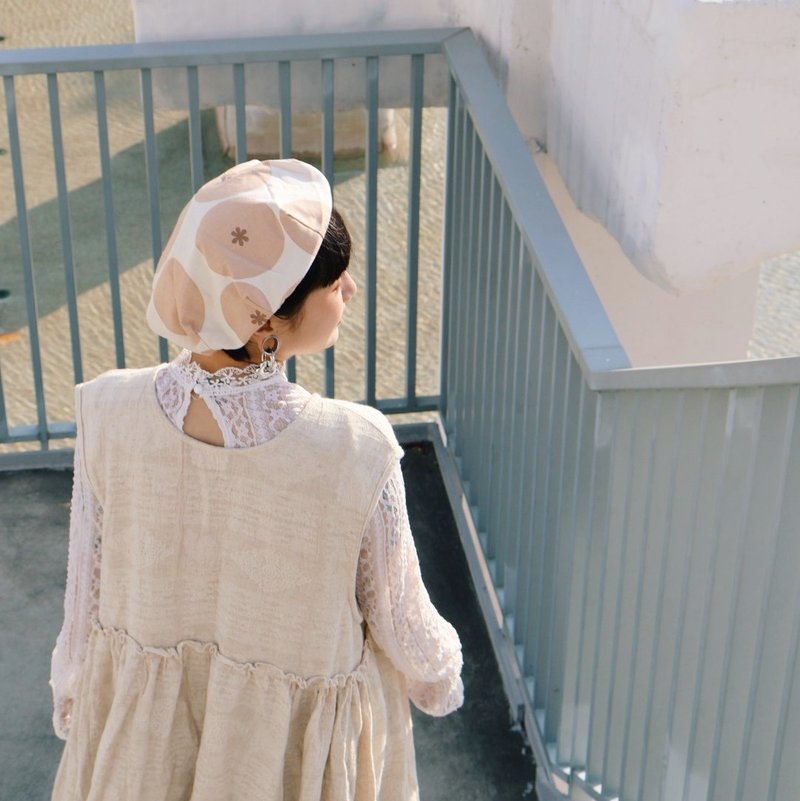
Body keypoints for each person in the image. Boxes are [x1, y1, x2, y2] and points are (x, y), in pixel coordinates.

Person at [49, 158, 463, 801]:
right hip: (285, 768)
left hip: (140, 758)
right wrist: (441, 677)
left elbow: (86, 603)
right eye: (333, 281)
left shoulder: (106, 412)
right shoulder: (353, 447)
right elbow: (400, 621)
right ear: (265, 319)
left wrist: (76, 695)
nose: (350, 290)